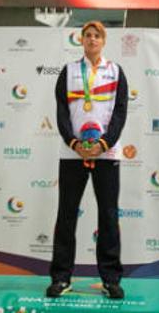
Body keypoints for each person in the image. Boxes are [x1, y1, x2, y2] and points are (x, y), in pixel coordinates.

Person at [46, 21, 128, 300]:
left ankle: (111, 279)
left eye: (97, 36)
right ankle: (60, 278)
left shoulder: (116, 71)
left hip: (107, 153)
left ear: (103, 41)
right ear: (81, 40)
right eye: (87, 35)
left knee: (108, 215)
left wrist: (104, 143)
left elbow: (120, 112)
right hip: (72, 153)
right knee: (66, 215)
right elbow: (60, 111)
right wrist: (74, 142)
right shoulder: (68, 72)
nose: (92, 39)